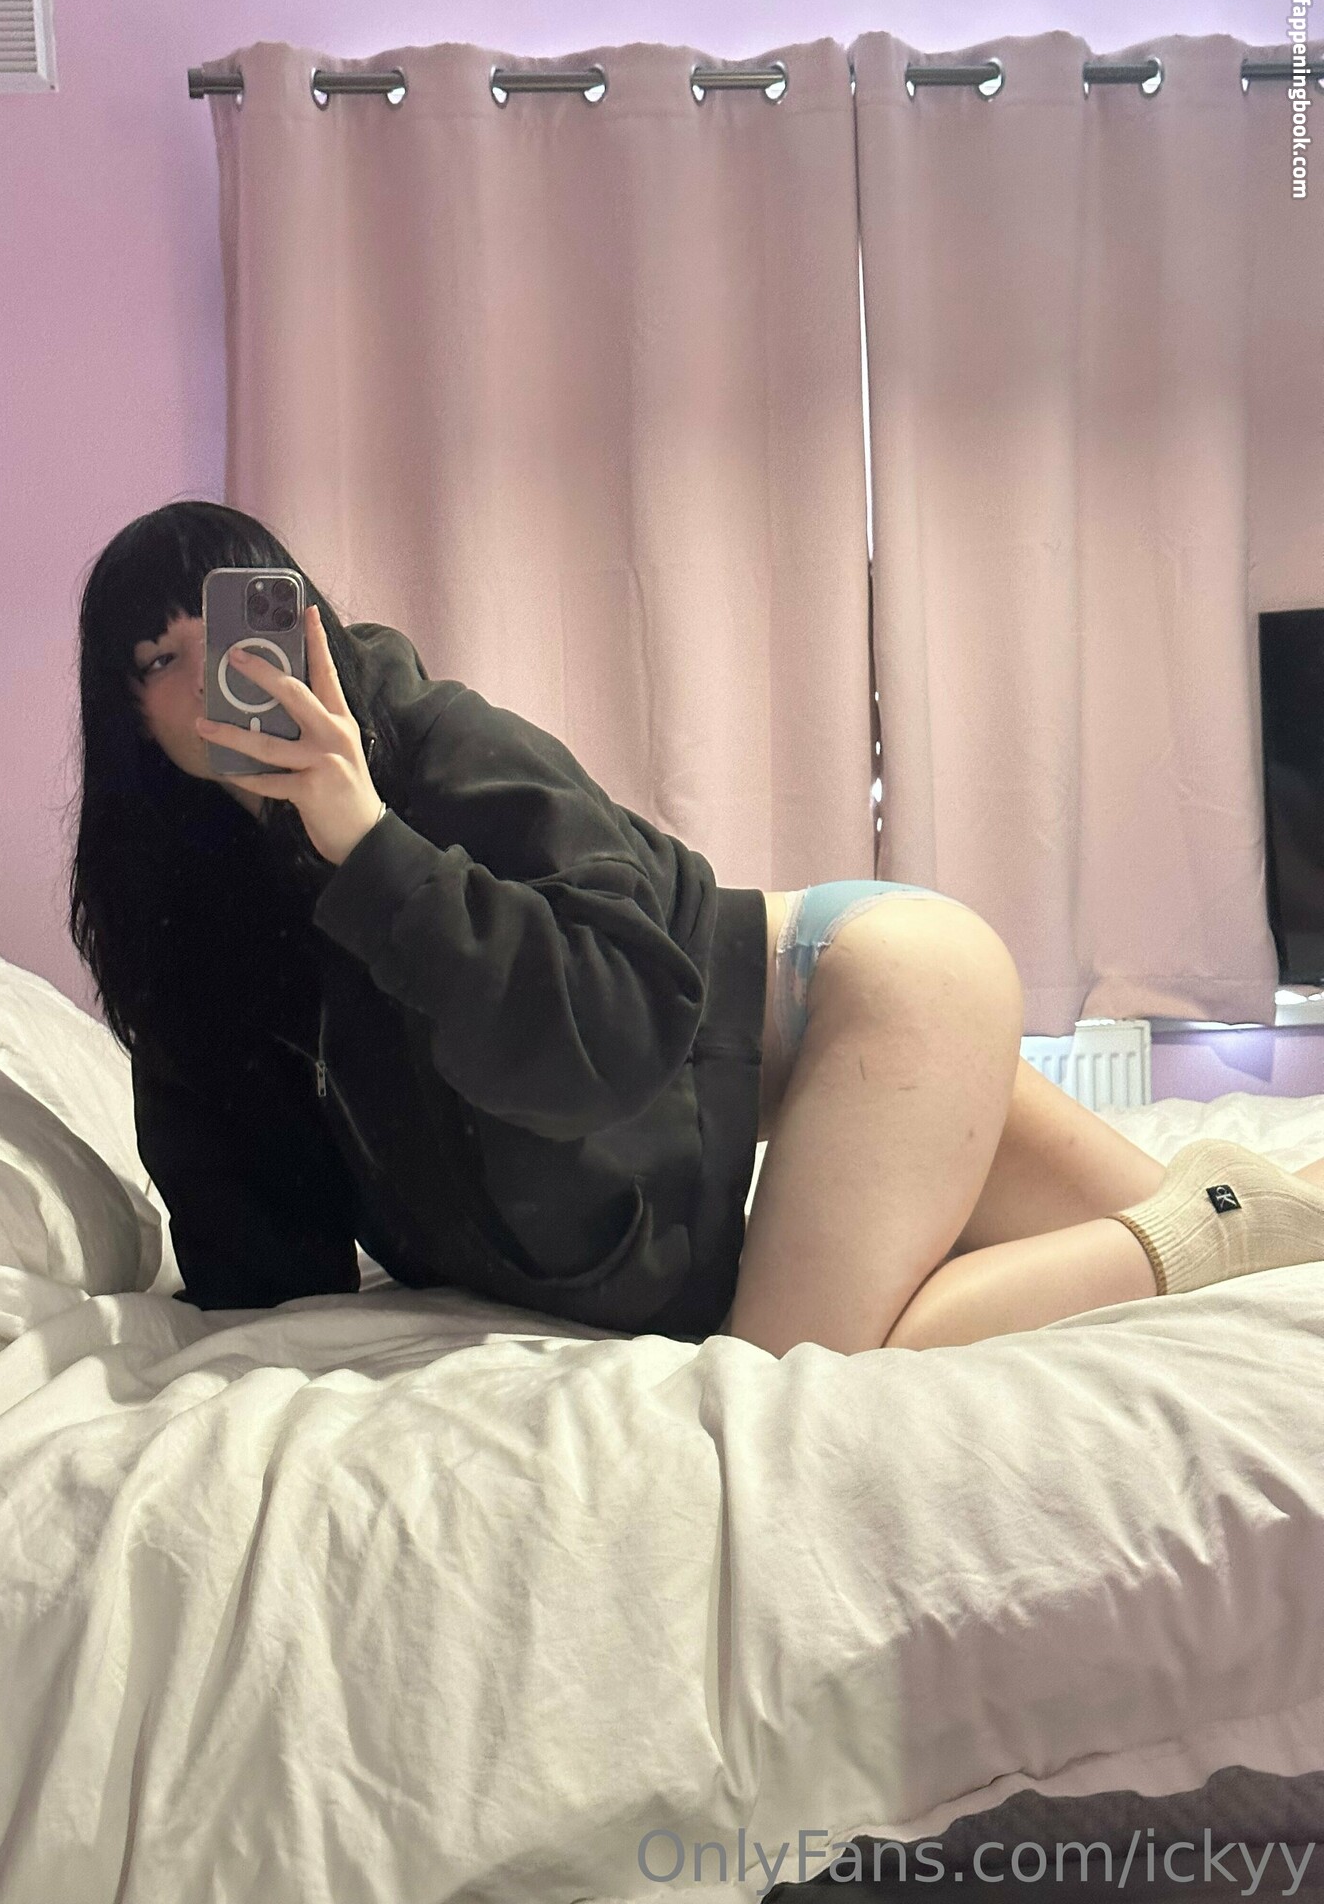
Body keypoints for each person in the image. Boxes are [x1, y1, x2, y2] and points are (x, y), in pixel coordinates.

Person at [68, 499, 1324, 1360]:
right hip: (818, 1069)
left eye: (236, 628)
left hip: (867, 983)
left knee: (800, 1364)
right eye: (163, 661)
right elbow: (268, 1214)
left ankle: (1214, 1216)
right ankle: (1261, 1203)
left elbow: (611, 1036)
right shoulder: (204, 914)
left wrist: (371, 844)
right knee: (1273, 1243)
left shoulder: (439, 749)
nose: (218, 677)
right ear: (129, 717)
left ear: (304, 624)